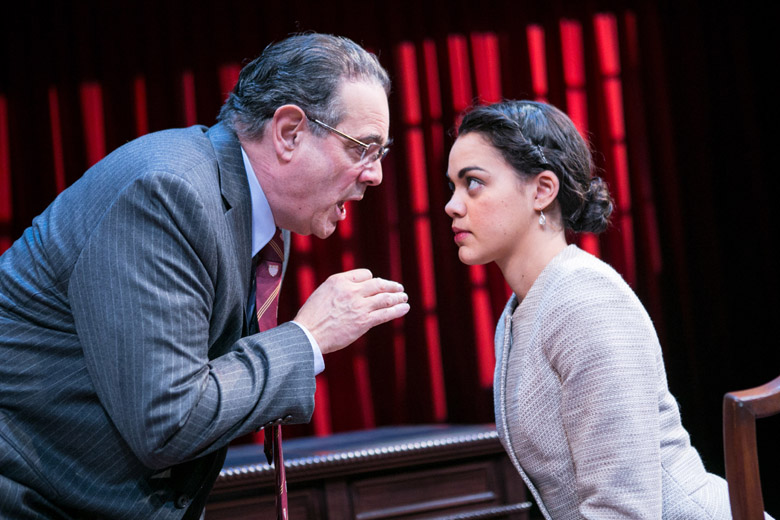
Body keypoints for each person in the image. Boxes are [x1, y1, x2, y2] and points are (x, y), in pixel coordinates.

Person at [0, 33, 409, 519]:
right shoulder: (168, 192)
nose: (375, 174)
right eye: (363, 148)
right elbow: (169, 421)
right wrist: (307, 339)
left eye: (380, 153)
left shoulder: (265, 217)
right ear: (289, 132)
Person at [444, 100, 773, 519]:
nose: (452, 205)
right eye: (452, 187)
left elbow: (624, 508)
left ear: (542, 190)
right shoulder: (521, 309)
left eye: (473, 183)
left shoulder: (586, 301)